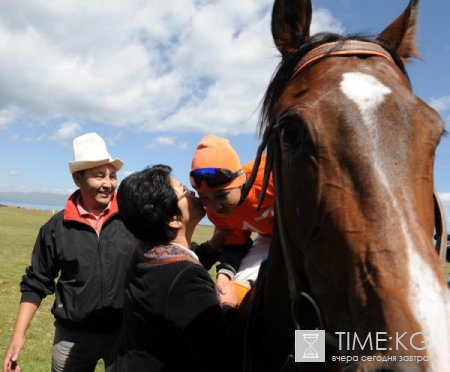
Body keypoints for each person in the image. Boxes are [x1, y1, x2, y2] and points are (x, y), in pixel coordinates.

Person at [3, 133, 137, 372]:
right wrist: (17, 337)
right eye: (99, 175)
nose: (108, 183)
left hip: (123, 334)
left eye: (112, 175)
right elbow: (36, 282)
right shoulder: (56, 228)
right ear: (77, 178)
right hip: (71, 337)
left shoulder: (131, 219)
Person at [111, 165, 243, 372]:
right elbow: (222, 357)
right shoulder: (185, 277)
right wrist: (229, 306)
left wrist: (211, 247)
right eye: (184, 191)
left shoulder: (145, 251)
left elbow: (169, 283)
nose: (193, 194)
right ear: (173, 219)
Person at [190, 134, 275, 302]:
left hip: (309, 232)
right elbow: (236, 244)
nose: (216, 206)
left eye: (222, 195)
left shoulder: (271, 173)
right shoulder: (214, 213)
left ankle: (319, 330)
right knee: (235, 293)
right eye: (205, 198)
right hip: (268, 239)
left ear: (240, 180)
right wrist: (224, 274)